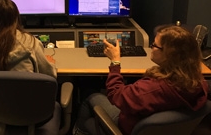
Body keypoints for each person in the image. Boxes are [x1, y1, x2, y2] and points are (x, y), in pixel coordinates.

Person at [73, 25, 209, 135]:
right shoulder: (198, 83)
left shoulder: (152, 90)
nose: (151, 47)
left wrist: (115, 62)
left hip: (129, 125)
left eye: (155, 46)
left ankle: (78, 131)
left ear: (169, 54)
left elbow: (116, 95)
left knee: (91, 97)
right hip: (161, 128)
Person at [0, 0, 56, 82]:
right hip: (26, 97)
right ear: (16, 18)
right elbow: (49, 75)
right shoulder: (31, 42)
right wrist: (50, 64)